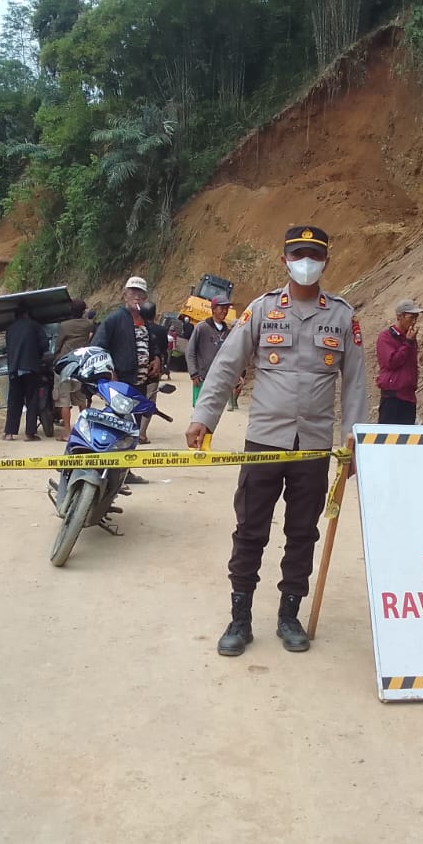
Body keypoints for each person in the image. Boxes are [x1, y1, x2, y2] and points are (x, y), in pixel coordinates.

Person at [186, 225, 367, 657]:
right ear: (285, 260)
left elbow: (357, 384)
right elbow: (227, 365)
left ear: (325, 261)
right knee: (250, 530)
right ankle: (240, 617)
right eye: (298, 255)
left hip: (314, 446)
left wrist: (356, 438)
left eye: (314, 255)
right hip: (264, 441)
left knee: (302, 533)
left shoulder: (342, 317)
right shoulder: (262, 310)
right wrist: (203, 417)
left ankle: (289, 615)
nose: (306, 263)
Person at [91, 276, 161, 390]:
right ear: (125, 296)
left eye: (141, 294)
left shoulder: (145, 321)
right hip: (120, 384)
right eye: (133, 293)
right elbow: (97, 348)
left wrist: (157, 358)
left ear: (146, 298)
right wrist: (109, 373)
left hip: (141, 385)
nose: (137, 297)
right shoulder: (114, 320)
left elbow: (152, 345)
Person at [376, 299, 423, 425]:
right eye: (411, 317)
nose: (414, 321)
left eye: (416, 317)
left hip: (409, 396)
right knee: (387, 438)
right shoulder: (386, 337)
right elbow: (392, 362)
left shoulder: (410, 338)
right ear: (400, 317)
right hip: (392, 396)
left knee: (405, 440)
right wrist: (408, 343)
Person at [3, 305, 48, 441]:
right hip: (30, 368)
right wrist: (37, 356)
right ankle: (29, 433)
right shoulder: (34, 325)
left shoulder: (10, 329)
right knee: (32, 400)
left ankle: (9, 433)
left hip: (14, 369)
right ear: (27, 314)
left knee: (14, 401)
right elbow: (44, 344)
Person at [54, 298, 96, 434]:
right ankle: (85, 430)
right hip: (80, 366)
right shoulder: (88, 325)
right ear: (83, 311)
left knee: (64, 401)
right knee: (81, 400)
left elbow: (58, 344)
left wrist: (55, 355)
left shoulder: (64, 326)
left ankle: (67, 432)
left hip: (65, 366)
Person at [186, 294, 234, 407]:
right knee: (200, 409)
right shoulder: (201, 328)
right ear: (213, 309)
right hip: (202, 378)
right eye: (222, 308)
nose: (225, 311)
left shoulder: (227, 332)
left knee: (214, 410)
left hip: (219, 379)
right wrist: (193, 373)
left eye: (226, 308)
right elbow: (190, 351)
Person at [137, 301, 169, 444]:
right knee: (149, 401)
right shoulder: (161, 331)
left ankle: (131, 430)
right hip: (153, 372)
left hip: (137, 371)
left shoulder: (136, 328)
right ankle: (142, 434)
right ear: (155, 314)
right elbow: (164, 350)